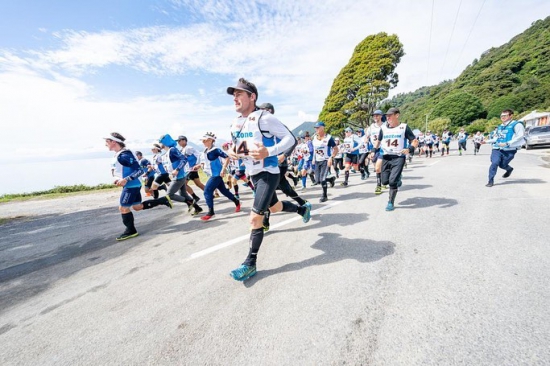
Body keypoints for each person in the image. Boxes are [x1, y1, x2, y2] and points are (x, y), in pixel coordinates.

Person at [226, 78, 312, 281]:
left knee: (256, 218)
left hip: (268, 172)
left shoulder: (264, 118)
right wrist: (232, 151)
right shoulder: (236, 123)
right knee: (273, 207)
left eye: (239, 94)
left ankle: (250, 263)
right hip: (253, 175)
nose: (235, 98)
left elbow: (290, 139)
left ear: (252, 97)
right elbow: (237, 146)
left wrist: (269, 152)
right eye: (233, 95)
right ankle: (301, 208)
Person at [104, 132, 173, 241]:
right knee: (137, 207)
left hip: (131, 186)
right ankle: (163, 200)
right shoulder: (120, 154)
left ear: (114, 142)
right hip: (133, 184)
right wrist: (118, 179)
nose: (105, 144)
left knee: (123, 208)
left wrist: (125, 179)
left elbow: (139, 170)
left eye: (107, 142)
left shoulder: (123, 155)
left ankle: (131, 231)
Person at [259, 103, 309, 231]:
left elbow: (293, 141)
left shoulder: (276, 124)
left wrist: (284, 155)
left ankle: (265, 222)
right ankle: (303, 205)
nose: (259, 111)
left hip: (279, 164)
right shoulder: (259, 126)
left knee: (267, 193)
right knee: (285, 188)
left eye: (262, 109)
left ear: (269, 111)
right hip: (268, 165)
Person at [372, 108, 418, 211]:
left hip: (398, 157)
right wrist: (373, 151)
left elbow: (414, 141)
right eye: (387, 116)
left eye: (390, 115)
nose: (387, 117)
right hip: (386, 157)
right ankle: (397, 178)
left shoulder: (404, 127)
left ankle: (390, 202)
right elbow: (378, 141)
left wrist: (409, 149)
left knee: (392, 182)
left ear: (397, 115)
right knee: (384, 182)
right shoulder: (383, 128)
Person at [196, 132, 240, 220]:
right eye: (202, 141)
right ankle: (237, 201)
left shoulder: (215, 150)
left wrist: (223, 169)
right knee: (224, 191)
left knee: (207, 191)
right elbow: (207, 163)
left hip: (216, 175)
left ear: (211, 140)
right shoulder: (205, 150)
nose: (203, 142)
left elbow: (227, 157)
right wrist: (199, 166)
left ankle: (210, 212)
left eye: (205, 140)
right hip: (212, 174)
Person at [159, 133, 203, 215]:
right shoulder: (168, 152)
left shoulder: (172, 150)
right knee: (183, 194)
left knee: (169, 195)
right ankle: (197, 208)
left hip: (178, 177)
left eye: (161, 142)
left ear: (165, 142)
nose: (160, 144)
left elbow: (184, 159)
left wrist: (177, 169)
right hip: (178, 176)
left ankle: (190, 202)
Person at [483, 109, 525, 187]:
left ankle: (509, 169)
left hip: (509, 150)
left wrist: (507, 143)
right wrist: (486, 141)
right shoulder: (500, 127)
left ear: (511, 116)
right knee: (494, 163)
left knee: (502, 165)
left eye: (505, 115)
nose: (503, 117)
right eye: (501, 116)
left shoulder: (517, 125)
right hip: (497, 148)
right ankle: (490, 181)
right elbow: (497, 138)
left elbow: (520, 136)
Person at [311, 121, 338, 202]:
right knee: (317, 180)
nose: (316, 129)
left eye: (318, 127)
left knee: (322, 180)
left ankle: (324, 195)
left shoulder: (329, 138)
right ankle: (330, 179)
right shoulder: (314, 138)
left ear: (323, 128)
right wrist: (313, 159)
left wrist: (331, 158)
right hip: (317, 161)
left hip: (325, 160)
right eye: (315, 128)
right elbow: (315, 150)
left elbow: (336, 149)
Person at [176, 135, 203, 203]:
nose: (178, 142)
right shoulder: (182, 149)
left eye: (179, 141)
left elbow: (198, 155)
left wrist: (197, 164)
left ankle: (195, 197)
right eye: (178, 141)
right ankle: (210, 193)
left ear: (184, 140)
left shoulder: (189, 148)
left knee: (183, 184)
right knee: (198, 184)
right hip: (188, 169)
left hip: (190, 169)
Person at [366, 110, 385, 194]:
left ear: (381, 116)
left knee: (378, 167)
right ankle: (383, 180)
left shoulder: (385, 125)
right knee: (376, 167)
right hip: (374, 148)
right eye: (374, 116)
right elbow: (367, 136)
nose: (375, 117)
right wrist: (366, 139)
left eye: (377, 115)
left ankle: (378, 186)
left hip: (383, 148)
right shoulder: (371, 127)